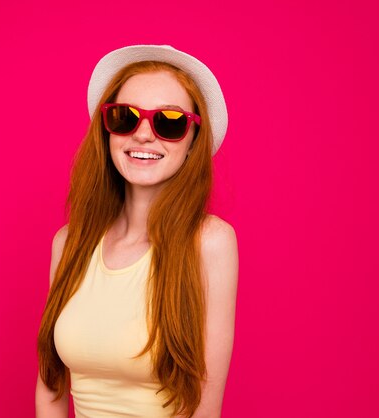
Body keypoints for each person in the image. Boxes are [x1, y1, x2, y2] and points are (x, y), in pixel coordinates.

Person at [35, 45, 239, 418]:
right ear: (107, 130)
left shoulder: (210, 243)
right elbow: (50, 386)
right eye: (126, 117)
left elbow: (204, 407)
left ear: (194, 141)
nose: (143, 135)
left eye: (170, 122)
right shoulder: (68, 243)